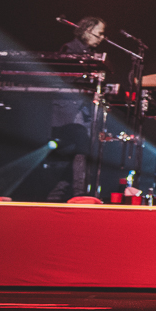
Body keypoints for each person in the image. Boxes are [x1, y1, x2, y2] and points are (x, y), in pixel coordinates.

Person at [47, 17, 106, 201]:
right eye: (100, 32)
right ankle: (79, 193)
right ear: (87, 30)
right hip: (70, 109)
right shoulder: (70, 49)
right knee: (80, 148)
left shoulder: (90, 52)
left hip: (83, 110)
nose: (102, 37)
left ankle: (56, 196)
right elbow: (65, 77)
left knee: (79, 152)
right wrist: (89, 75)